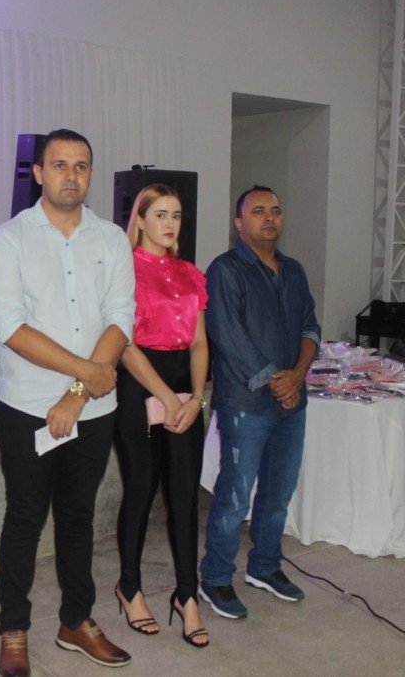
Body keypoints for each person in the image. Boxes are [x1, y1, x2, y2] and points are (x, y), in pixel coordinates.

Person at [0, 128, 135, 677]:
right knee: (24, 518)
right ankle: (13, 627)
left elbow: (120, 318)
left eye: (82, 166)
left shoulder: (111, 239)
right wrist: (86, 375)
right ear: (39, 172)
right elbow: (11, 327)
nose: (72, 175)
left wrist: (77, 393)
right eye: (61, 164)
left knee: (77, 517)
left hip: (93, 410)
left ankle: (75, 621)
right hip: (27, 406)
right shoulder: (9, 239)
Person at [198, 185, 320, 620]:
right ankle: (215, 577)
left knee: (278, 491)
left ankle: (265, 567)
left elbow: (310, 327)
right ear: (239, 222)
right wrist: (276, 381)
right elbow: (227, 335)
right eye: (259, 211)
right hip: (245, 403)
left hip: (291, 403)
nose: (270, 218)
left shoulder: (294, 271)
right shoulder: (225, 270)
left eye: (276, 211)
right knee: (235, 495)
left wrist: (298, 375)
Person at [113, 184, 210, 648]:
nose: (170, 224)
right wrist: (168, 398)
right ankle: (129, 587)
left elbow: (200, 342)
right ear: (140, 220)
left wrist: (196, 398)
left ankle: (187, 596)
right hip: (139, 386)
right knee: (140, 490)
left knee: (185, 496)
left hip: (186, 388)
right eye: (160, 215)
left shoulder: (191, 273)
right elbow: (125, 346)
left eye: (176, 215)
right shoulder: (124, 270)